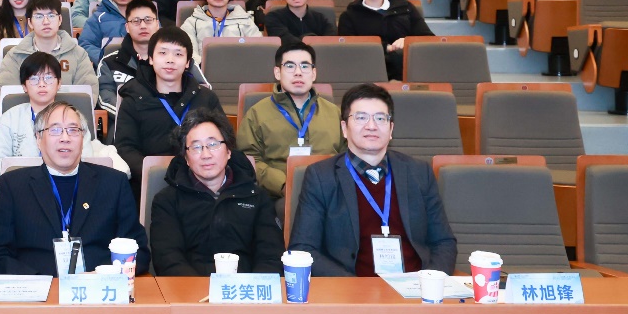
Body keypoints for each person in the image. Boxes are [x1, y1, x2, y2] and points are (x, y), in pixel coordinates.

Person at [288, 83, 458, 277]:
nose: (371, 126)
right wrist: (354, 288)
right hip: (352, 288)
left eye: (380, 118)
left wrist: (429, 282)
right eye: (361, 117)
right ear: (344, 128)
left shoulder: (419, 173)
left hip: (415, 286)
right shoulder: (321, 177)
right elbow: (303, 249)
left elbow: (444, 242)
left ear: (391, 128)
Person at [0, 101, 150, 276]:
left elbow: (139, 252)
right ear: (38, 139)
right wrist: (39, 282)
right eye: (55, 130)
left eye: (73, 130)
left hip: (98, 288)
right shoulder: (14, 185)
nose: (65, 138)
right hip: (37, 290)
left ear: (83, 139)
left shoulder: (114, 183)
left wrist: (102, 276)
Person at [150, 109, 284, 275]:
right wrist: (199, 289)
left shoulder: (256, 197)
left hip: (246, 288)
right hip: (190, 288)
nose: (206, 155)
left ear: (228, 151)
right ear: (186, 158)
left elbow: (271, 257)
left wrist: (252, 288)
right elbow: (168, 259)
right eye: (196, 147)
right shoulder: (167, 201)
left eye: (213, 144)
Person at [114, 27, 224, 197]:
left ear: (188, 62)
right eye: (163, 53)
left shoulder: (206, 98)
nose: (170, 60)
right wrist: (155, 174)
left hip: (202, 181)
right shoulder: (134, 99)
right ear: (151, 59)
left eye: (178, 54)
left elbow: (224, 141)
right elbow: (125, 148)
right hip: (152, 182)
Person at [235, 42, 345, 208]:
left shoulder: (334, 113)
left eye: (305, 66)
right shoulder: (256, 113)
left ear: (314, 73)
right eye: (290, 66)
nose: (298, 72)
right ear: (277, 72)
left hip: (330, 191)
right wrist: (283, 184)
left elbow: (346, 154)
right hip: (278, 196)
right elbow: (249, 159)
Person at [0, 52, 129, 177]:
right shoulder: (9, 119)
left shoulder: (75, 118)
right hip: (21, 186)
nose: (42, 84)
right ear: (24, 86)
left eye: (48, 78)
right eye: (34, 79)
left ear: (59, 83)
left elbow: (84, 159)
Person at [97, 0, 211, 118]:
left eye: (148, 20)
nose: (143, 26)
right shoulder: (109, 62)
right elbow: (105, 98)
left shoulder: (180, 60)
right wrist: (135, 116)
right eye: (136, 21)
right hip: (126, 122)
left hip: (180, 121)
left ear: (157, 24)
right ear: (127, 27)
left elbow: (203, 89)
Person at [338, 0, 435, 79]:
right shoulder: (349, 16)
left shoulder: (405, 7)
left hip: (407, 73)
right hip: (368, 75)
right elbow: (349, 51)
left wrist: (408, 41)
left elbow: (428, 38)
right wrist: (386, 47)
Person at [0, 0, 97, 88]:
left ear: (60, 20)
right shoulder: (15, 57)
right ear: (30, 22)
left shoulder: (78, 55)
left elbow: (87, 93)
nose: (46, 21)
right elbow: (8, 95)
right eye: (39, 16)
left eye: (51, 15)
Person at [180, 0, 262, 62]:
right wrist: (208, 66)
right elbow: (189, 54)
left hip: (240, 68)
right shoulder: (192, 23)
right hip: (203, 69)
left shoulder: (245, 21)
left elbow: (258, 49)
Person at [79, 0, 145, 64]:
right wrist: (107, 61)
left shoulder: (148, 17)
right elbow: (85, 45)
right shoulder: (98, 18)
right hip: (108, 69)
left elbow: (158, 42)